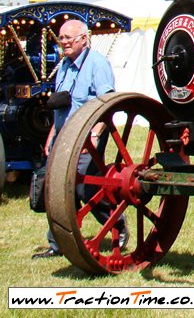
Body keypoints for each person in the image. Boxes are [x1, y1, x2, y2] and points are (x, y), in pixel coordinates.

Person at [32, 19, 127, 258]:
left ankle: (118, 226)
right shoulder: (64, 66)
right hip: (64, 137)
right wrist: (52, 136)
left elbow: (107, 105)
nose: (63, 42)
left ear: (83, 39)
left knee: (85, 188)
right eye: (61, 38)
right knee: (56, 189)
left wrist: (95, 136)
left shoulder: (97, 64)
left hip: (87, 137)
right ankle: (59, 244)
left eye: (68, 38)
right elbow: (61, 106)